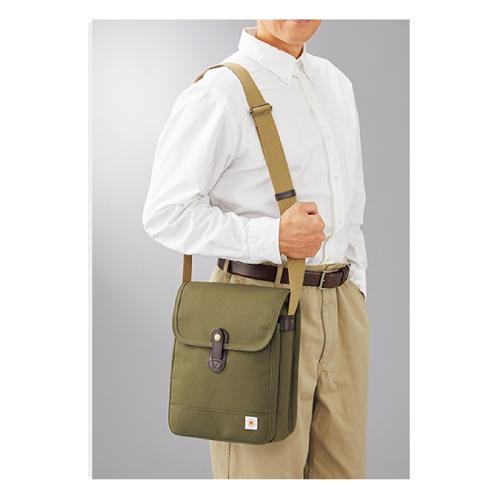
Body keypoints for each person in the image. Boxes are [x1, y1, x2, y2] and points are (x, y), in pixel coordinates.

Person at [143, 20, 369, 479]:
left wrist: (356, 292)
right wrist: (272, 238)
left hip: (342, 309)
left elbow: (352, 209)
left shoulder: (335, 83)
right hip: (258, 309)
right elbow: (165, 214)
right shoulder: (220, 91)